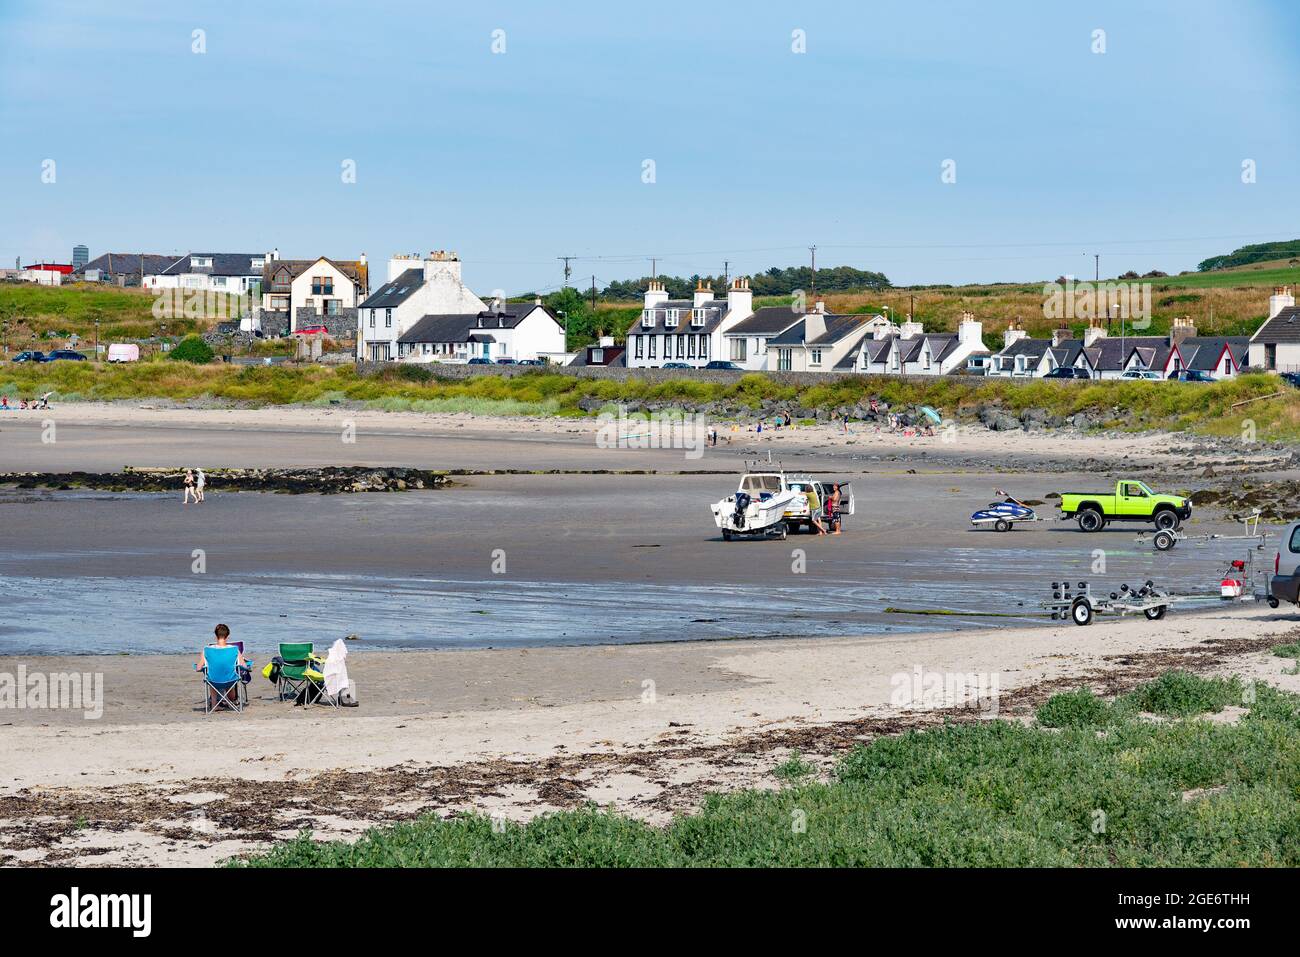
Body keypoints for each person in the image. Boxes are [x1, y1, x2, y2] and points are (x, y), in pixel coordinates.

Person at [197, 623, 245, 711]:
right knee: (228, 674)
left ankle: (214, 705)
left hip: (213, 681)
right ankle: (230, 702)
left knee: (211, 675)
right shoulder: (234, 649)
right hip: (230, 681)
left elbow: (198, 668)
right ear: (228, 636)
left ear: (216, 636)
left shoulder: (207, 649)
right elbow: (244, 666)